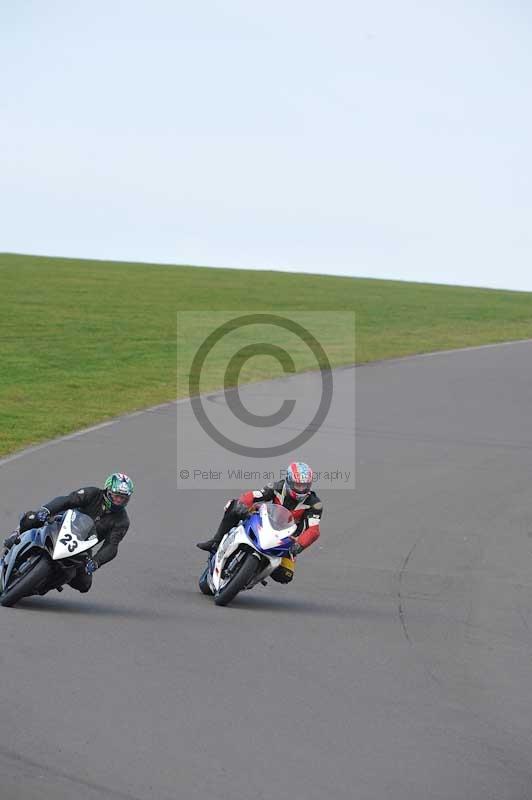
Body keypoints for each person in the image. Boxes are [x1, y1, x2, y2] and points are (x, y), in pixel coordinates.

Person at [2, 473, 134, 593]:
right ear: (108, 491)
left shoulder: (122, 521)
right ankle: (16, 534)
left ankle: (44, 583)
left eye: (122, 498)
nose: (118, 501)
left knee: (84, 584)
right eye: (116, 496)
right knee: (33, 518)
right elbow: (67, 500)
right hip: (60, 525)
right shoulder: (92, 493)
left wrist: (96, 562)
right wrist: (46, 510)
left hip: (82, 546)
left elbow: (112, 545)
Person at [197, 461, 322, 583]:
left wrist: (300, 544)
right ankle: (216, 542)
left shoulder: (315, 504)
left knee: (285, 575)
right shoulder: (277, 487)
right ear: (289, 481)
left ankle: (255, 571)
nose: (301, 489)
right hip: (266, 524)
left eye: (304, 486)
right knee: (234, 506)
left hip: (287, 539)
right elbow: (254, 495)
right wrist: (243, 503)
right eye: (297, 485)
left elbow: (313, 529)